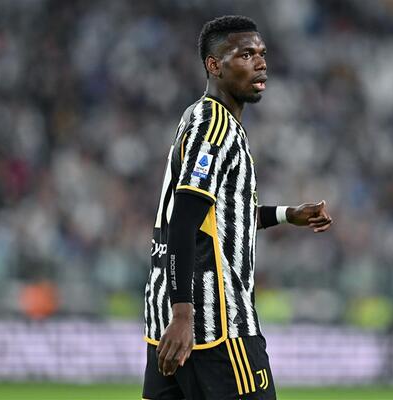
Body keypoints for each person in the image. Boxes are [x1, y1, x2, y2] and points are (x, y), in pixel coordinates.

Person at [142, 15, 333, 400]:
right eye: (246, 55)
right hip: (214, 324)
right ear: (214, 65)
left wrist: (287, 214)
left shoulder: (198, 117)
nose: (260, 62)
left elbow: (222, 217)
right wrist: (183, 314)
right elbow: (184, 221)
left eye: (261, 53)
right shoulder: (216, 127)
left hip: (168, 318)